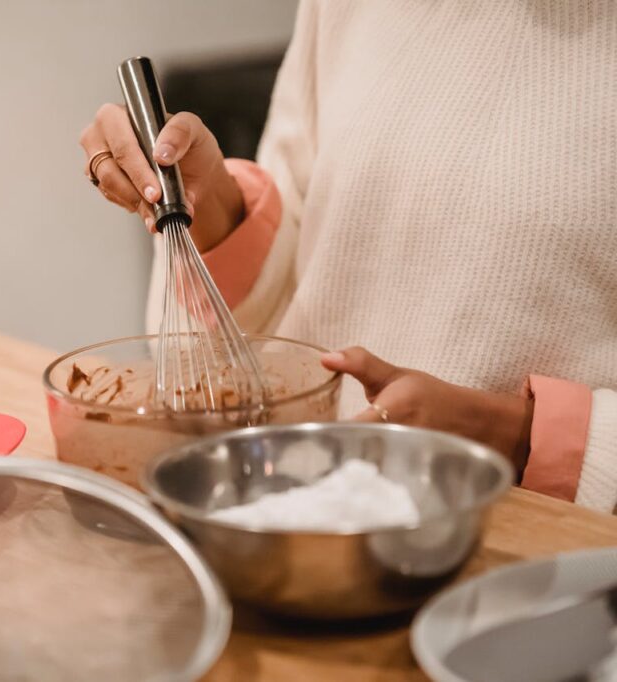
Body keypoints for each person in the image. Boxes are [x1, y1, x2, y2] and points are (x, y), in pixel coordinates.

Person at [79, 1, 617, 512]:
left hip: (535, 546)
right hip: (300, 500)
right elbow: (305, 252)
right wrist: (212, 201)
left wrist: (517, 435)